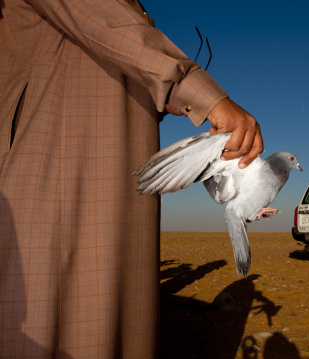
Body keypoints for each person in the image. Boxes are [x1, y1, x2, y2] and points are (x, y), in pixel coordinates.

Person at [0, 0, 263, 357]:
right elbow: (102, 17)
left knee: (118, 320)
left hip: (116, 183)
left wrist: (157, 99)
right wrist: (198, 92)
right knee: (56, 325)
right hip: (55, 177)